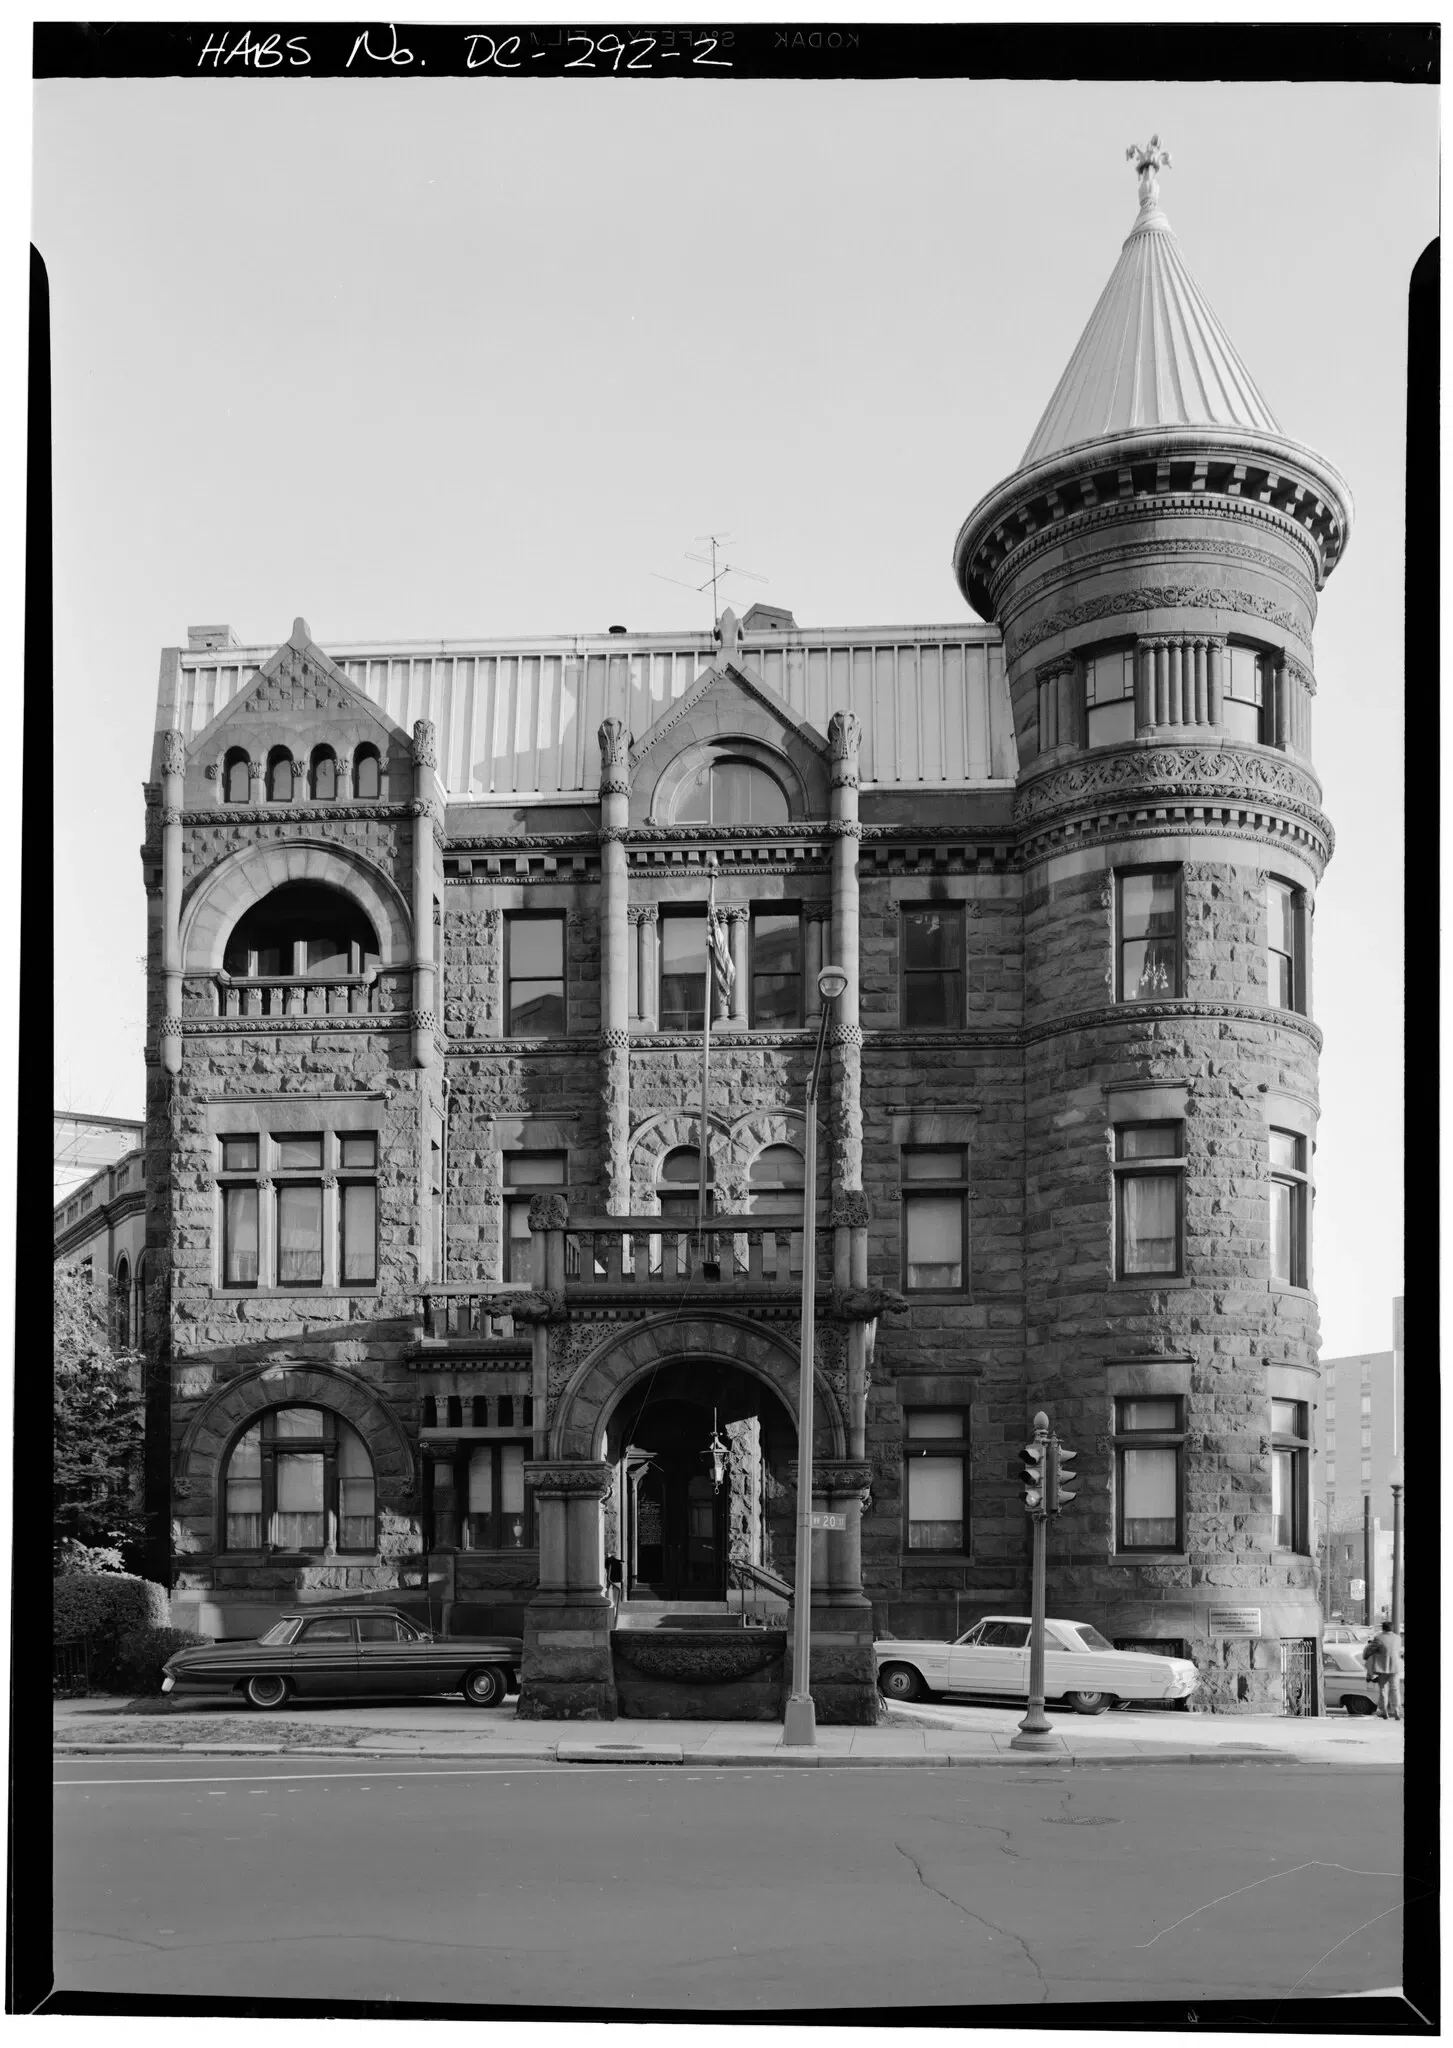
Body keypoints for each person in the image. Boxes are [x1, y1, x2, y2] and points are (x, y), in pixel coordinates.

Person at [1362, 1616, 1402, 1719]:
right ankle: (1396, 1710)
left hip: (1382, 1668)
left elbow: (1370, 1650)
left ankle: (1384, 1711)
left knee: (1383, 1689)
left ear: (1383, 1628)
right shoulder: (1398, 1638)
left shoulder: (1379, 1638)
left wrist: (1366, 1656)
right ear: (1391, 1628)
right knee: (1395, 1689)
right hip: (1395, 1667)